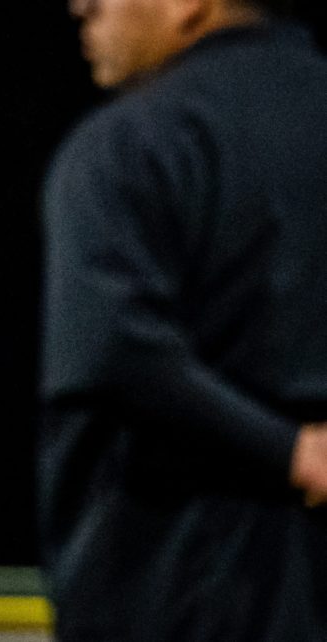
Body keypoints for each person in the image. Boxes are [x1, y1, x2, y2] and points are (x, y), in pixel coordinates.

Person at [39, 0, 327, 639]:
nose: (82, 7)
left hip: (181, 576)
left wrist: (294, 453)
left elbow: (111, 350)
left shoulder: (131, 141)